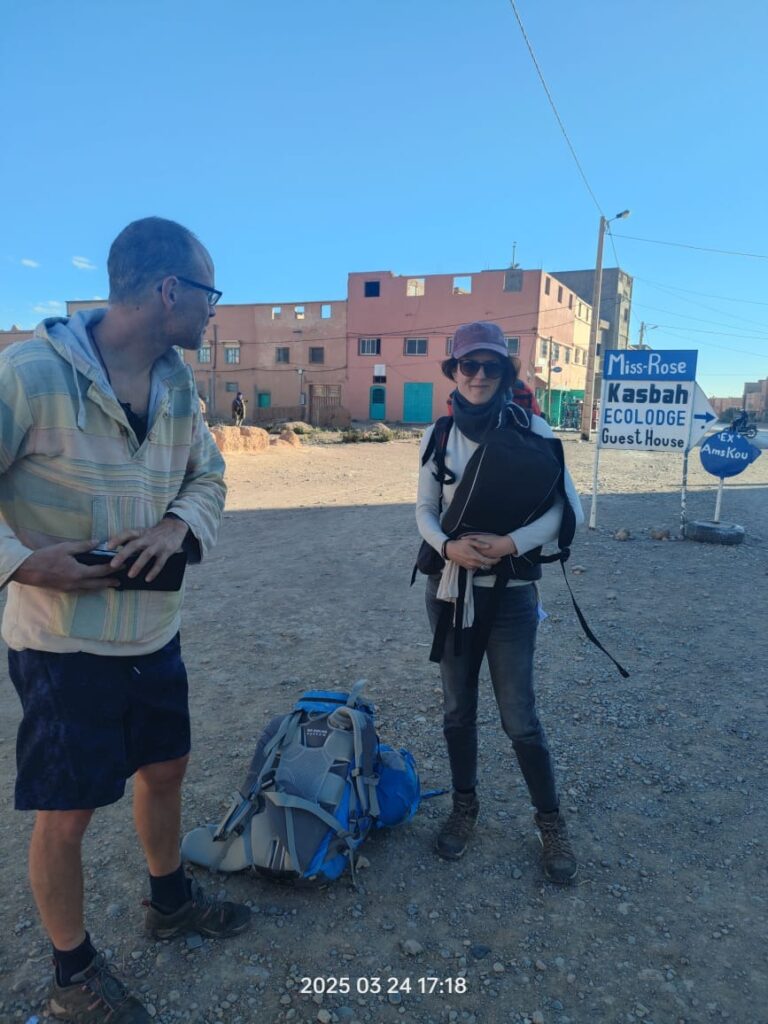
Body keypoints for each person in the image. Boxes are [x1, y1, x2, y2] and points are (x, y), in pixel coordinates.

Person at [0, 217, 250, 1023]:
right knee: (66, 811)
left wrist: (177, 526)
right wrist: (21, 562)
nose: (214, 309)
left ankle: (168, 902)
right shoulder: (30, 374)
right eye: (209, 293)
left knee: (167, 768)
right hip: (61, 645)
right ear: (170, 290)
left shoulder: (178, 385)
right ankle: (71, 977)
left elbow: (208, 476)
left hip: (153, 632)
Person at [415, 321, 584, 883]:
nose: (480, 376)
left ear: (505, 374)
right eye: (470, 365)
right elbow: (424, 510)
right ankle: (464, 808)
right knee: (457, 710)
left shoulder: (532, 428)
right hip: (450, 594)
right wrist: (448, 547)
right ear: (454, 371)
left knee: (520, 718)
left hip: (510, 599)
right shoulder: (438, 435)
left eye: (491, 367)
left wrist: (512, 544)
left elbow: (565, 509)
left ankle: (550, 822)